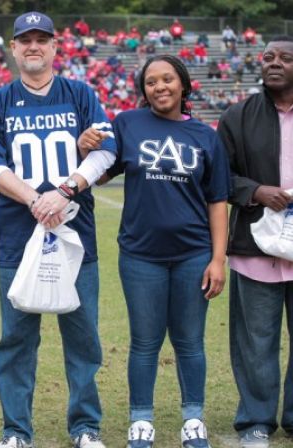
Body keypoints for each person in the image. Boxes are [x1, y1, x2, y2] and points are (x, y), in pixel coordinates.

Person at [0, 11, 117, 448]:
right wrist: (36, 199)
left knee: (83, 338)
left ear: (56, 46)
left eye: (42, 38)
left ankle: (86, 427)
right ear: (13, 48)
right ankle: (16, 431)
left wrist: (66, 190)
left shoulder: (80, 94)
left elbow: (107, 151)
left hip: (77, 234)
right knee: (16, 339)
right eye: (25, 40)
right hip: (19, 236)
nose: (33, 45)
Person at [89, 54, 229, 448]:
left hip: (193, 255)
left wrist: (218, 260)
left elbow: (217, 201)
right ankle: (141, 420)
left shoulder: (206, 136)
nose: (160, 87)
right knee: (145, 342)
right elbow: (100, 172)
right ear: (143, 90)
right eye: (151, 82)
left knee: (190, 342)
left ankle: (193, 419)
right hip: (140, 255)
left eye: (168, 79)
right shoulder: (127, 123)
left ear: (183, 84)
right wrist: (86, 145)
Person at [217, 35, 293, 448]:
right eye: (268, 57)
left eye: (285, 57)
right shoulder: (237, 116)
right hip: (256, 248)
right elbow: (217, 177)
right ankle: (256, 422)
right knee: (255, 342)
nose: (274, 63)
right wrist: (255, 191)